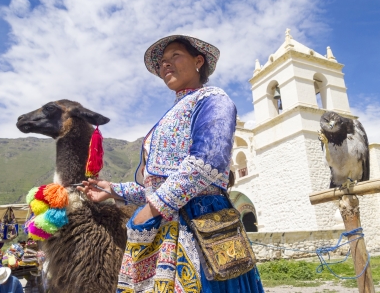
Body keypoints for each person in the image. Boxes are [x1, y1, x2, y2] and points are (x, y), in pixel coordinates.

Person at [79, 35, 264, 293]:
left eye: (175, 56)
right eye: (163, 62)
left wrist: (152, 209)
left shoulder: (212, 99)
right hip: (166, 226)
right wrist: (112, 189)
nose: (166, 65)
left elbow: (205, 163)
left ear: (198, 61)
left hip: (201, 221)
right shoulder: (170, 115)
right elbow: (157, 185)